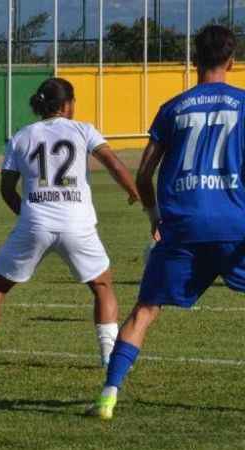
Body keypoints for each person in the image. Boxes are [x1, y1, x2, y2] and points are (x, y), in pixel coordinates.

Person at [88, 25, 245, 420]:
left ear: (194, 61)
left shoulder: (173, 108)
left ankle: (108, 395)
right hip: (236, 224)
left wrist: (154, 217)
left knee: (145, 311)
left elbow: (143, 176)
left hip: (184, 226)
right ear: (231, 62)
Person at [0, 78, 140, 372]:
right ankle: (108, 356)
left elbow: (6, 188)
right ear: (67, 104)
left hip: (35, 223)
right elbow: (115, 165)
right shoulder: (83, 130)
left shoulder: (21, 136)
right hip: (78, 223)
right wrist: (134, 192)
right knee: (102, 286)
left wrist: (29, 216)